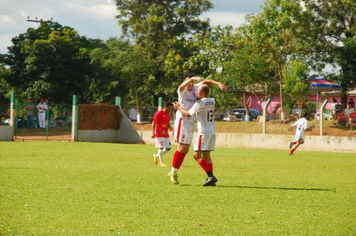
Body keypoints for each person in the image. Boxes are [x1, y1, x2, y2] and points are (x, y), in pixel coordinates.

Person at [168, 75, 227, 185]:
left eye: (192, 83)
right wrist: (192, 78)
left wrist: (218, 83)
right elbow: (181, 86)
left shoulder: (196, 88)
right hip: (182, 120)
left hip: (191, 122)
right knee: (182, 147)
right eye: (188, 83)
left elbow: (207, 81)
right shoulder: (182, 90)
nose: (191, 85)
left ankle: (210, 178)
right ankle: (173, 172)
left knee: (186, 149)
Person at [173, 85, 219, 186]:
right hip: (212, 131)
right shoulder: (212, 100)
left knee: (196, 155)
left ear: (202, 93)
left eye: (198, 91)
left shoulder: (199, 103)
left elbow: (188, 114)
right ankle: (210, 179)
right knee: (207, 156)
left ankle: (210, 176)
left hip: (203, 132)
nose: (196, 92)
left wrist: (178, 108)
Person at [151, 101, 173, 167]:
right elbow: (154, 123)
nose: (169, 110)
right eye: (168, 108)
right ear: (164, 107)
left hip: (165, 133)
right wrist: (153, 132)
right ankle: (161, 162)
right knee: (160, 147)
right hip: (159, 134)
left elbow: (168, 123)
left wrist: (172, 130)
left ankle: (156, 155)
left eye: (170, 108)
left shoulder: (168, 114)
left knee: (168, 148)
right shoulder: (158, 113)